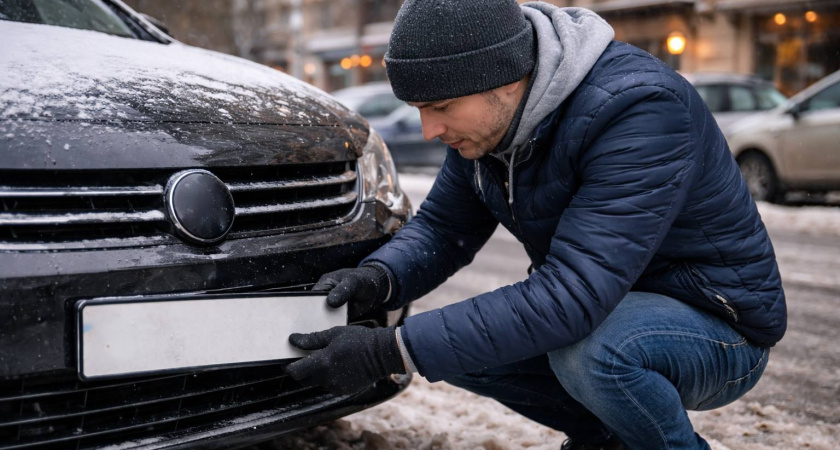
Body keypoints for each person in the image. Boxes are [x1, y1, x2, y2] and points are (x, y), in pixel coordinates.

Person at [285, 1, 786, 449]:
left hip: (718, 328)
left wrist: (388, 351)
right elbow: (443, 229)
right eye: (419, 110)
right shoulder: (491, 127)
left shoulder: (639, 109)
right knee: (464, 350)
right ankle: (606, 439)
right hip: (604, 310)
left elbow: (572, 296)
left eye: (441, 108)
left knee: (592, 352)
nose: (430, 131)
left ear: (507, 79)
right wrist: (377, 280)